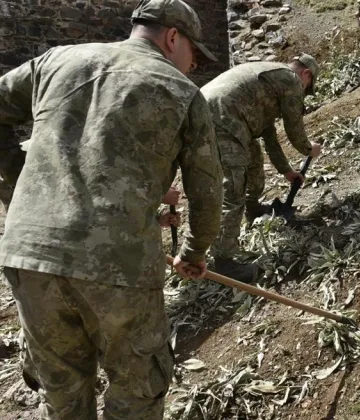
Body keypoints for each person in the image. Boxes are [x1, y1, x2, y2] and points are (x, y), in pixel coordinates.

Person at [0, 0, 224, 417]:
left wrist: (18, 183)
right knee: (136, 391)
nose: (193, 66)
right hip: (118, 267)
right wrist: (193, 253)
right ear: (173, 37)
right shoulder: (181, 92)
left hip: (28, 255)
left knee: (62, 395)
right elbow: (208, 192)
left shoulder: (56, 61)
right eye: (194, 53)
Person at [201, 56, 323, 281]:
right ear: (306, 74)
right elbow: (293, 127)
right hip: (221, 120)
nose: (304, 92)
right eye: (308, 88)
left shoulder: (271, 80)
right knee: (234, 188)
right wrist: (308, 148)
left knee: (254, 160)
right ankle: (224, 262)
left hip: (224, 116)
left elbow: (269, 134)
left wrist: (286, 171)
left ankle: (253, 208)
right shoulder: (291, 80)